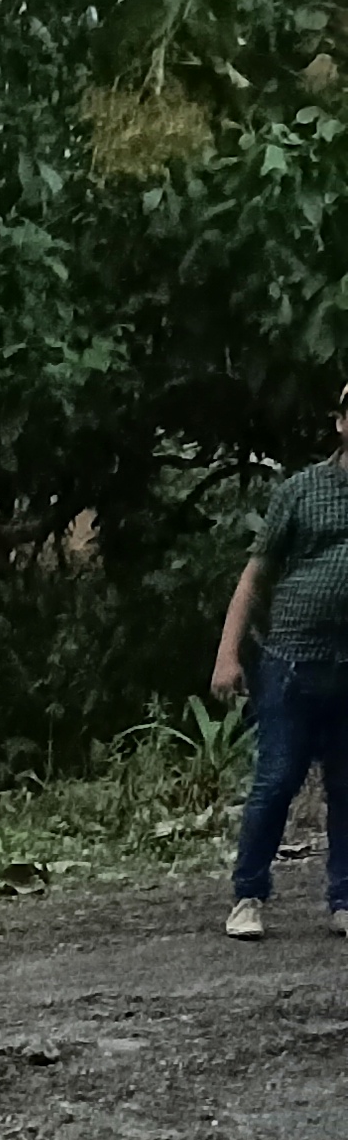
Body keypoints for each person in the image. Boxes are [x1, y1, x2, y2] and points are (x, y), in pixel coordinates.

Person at [211, 386, 348, 937]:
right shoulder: (301, 490)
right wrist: (228, 654)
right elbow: (255, 575)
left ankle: (344, 899)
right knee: (276, 781)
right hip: (291, 662)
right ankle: (248, 895)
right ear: (341, 423)